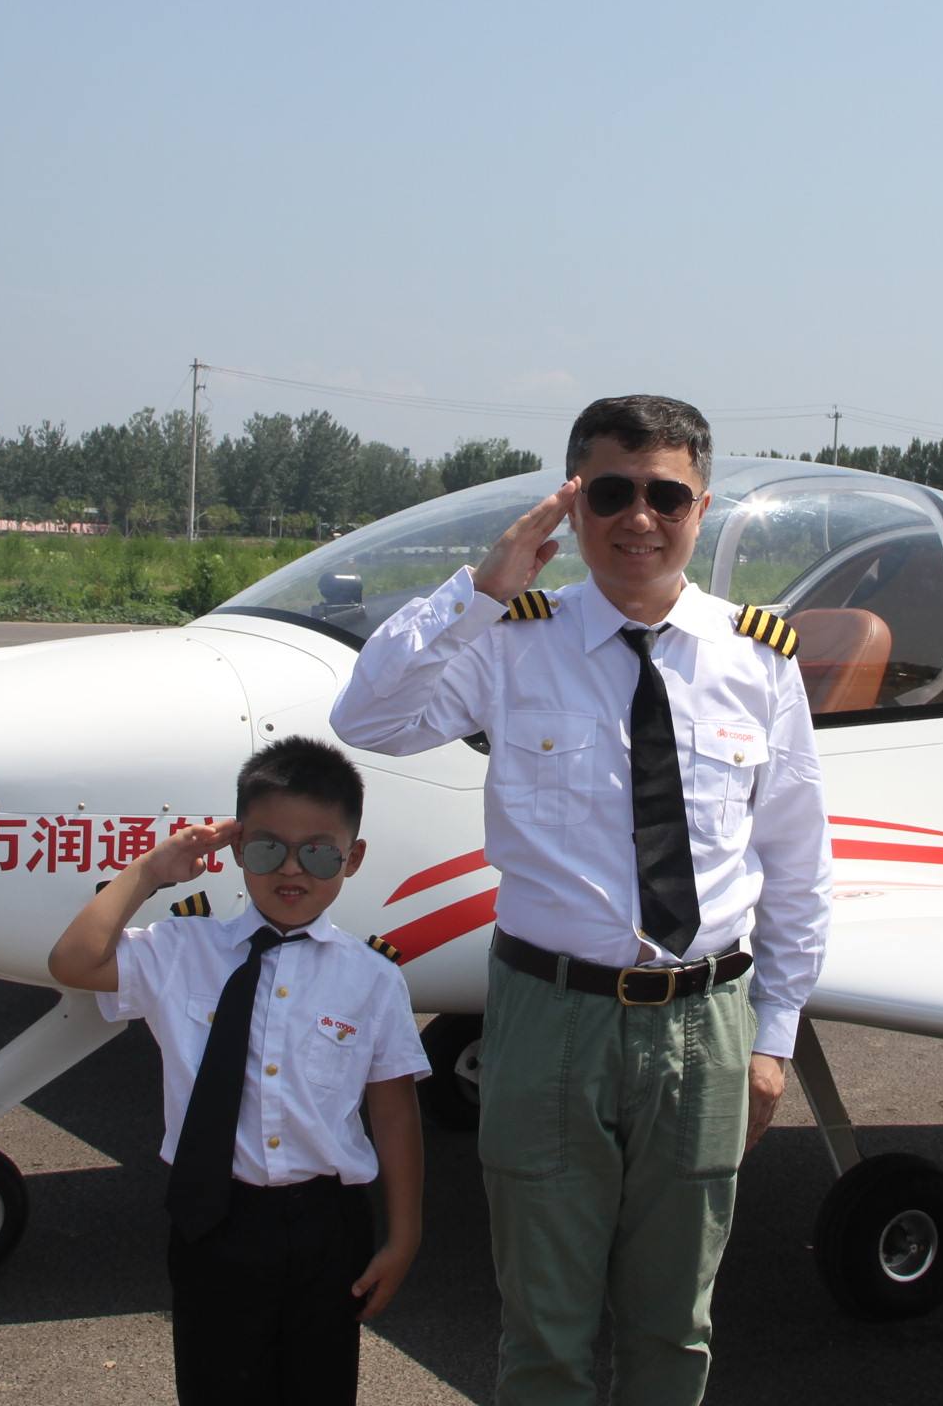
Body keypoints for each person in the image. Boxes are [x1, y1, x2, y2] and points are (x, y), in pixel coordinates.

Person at [331, 395, 830, 1406]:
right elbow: (368, 718)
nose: (637, 517)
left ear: (702, 505)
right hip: (550, 1021)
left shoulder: (759, 658)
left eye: (665, 494)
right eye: (610, 492)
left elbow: (797, 865)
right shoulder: (513, 640)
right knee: (545, 1334)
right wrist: (481, 588)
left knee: (674, 1331)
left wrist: (773, 1040)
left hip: (706, 1023)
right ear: (573, 502)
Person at [47, 735, 428, 1406]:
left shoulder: (371, 980)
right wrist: (150, 872)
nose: (291, 869)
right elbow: (74, 961)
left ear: (352, 857)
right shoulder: (180, 951)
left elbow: (393, 1112)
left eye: (318, 852)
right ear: (235, 850)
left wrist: (404, 1236)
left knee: (319, 1389)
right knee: (216, 1385)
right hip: (214, 1221)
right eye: (264, 848)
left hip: (327, 1226)